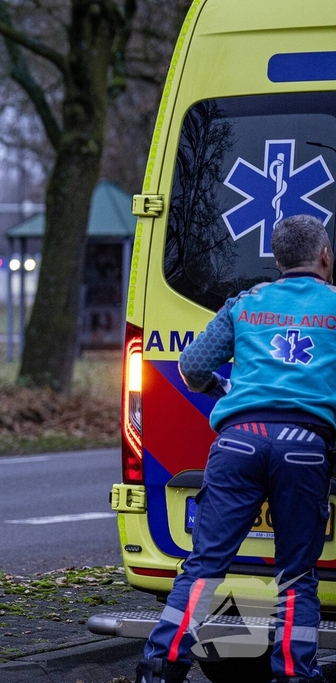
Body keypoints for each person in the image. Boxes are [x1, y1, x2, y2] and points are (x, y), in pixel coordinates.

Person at [136, 214, 336, 683]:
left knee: (204, 565)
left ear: (277, 259)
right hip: (304, 447)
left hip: (238, 443)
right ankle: (293, 673)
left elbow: (191, 366)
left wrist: (228, 390)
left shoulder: (245, 304)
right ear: (325, 256)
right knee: (295, 575)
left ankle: (161, 665)